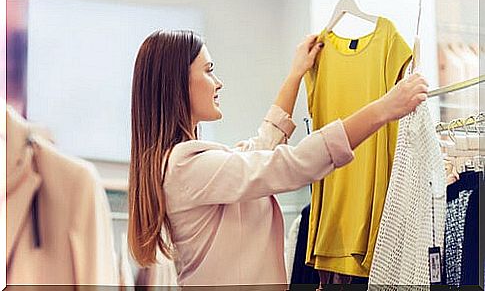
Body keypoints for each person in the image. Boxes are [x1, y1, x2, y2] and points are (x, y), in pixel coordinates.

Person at [128, 30, 428, 287]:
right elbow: (292, 165)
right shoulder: (187, 165)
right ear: (177, 82)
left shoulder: (187, 163)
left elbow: (264, 145)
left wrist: (296, 74)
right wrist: (384, 109)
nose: (218, 82)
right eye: (208, 70)